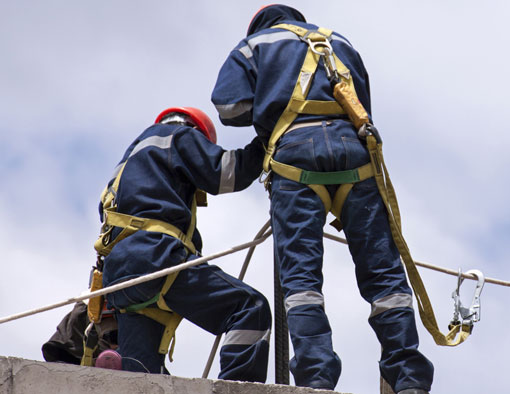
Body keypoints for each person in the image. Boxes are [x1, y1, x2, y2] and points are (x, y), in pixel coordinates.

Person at [211, 5, 434, 393]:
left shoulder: (254, 45)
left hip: (295, 156)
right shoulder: (339, 41)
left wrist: (273, 108)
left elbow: (230, 108)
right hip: (356, 155)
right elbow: (361, 103)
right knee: (385, 278)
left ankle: (316, 379)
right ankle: (407, 379)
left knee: (302, 279)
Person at [96, 106, 270, 381]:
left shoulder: (126, 165)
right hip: (157, 257)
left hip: (121, 276)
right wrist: (269, 142)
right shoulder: (179, 136)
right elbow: (227, 173)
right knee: (249, 309)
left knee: (142, 378)